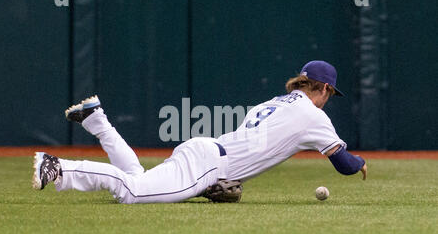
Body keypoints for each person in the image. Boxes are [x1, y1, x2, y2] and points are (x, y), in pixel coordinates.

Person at [32, 60, 367, 204]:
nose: (328, 100)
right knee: (132, 192)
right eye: (330, 94)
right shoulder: (313, 115)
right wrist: (361, 161)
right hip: (209, 166)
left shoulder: (276, 101)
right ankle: (59, 167)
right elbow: (345, 164)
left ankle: (96, 120)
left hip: (205, 151)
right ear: (323, 87)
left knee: (138, 176)